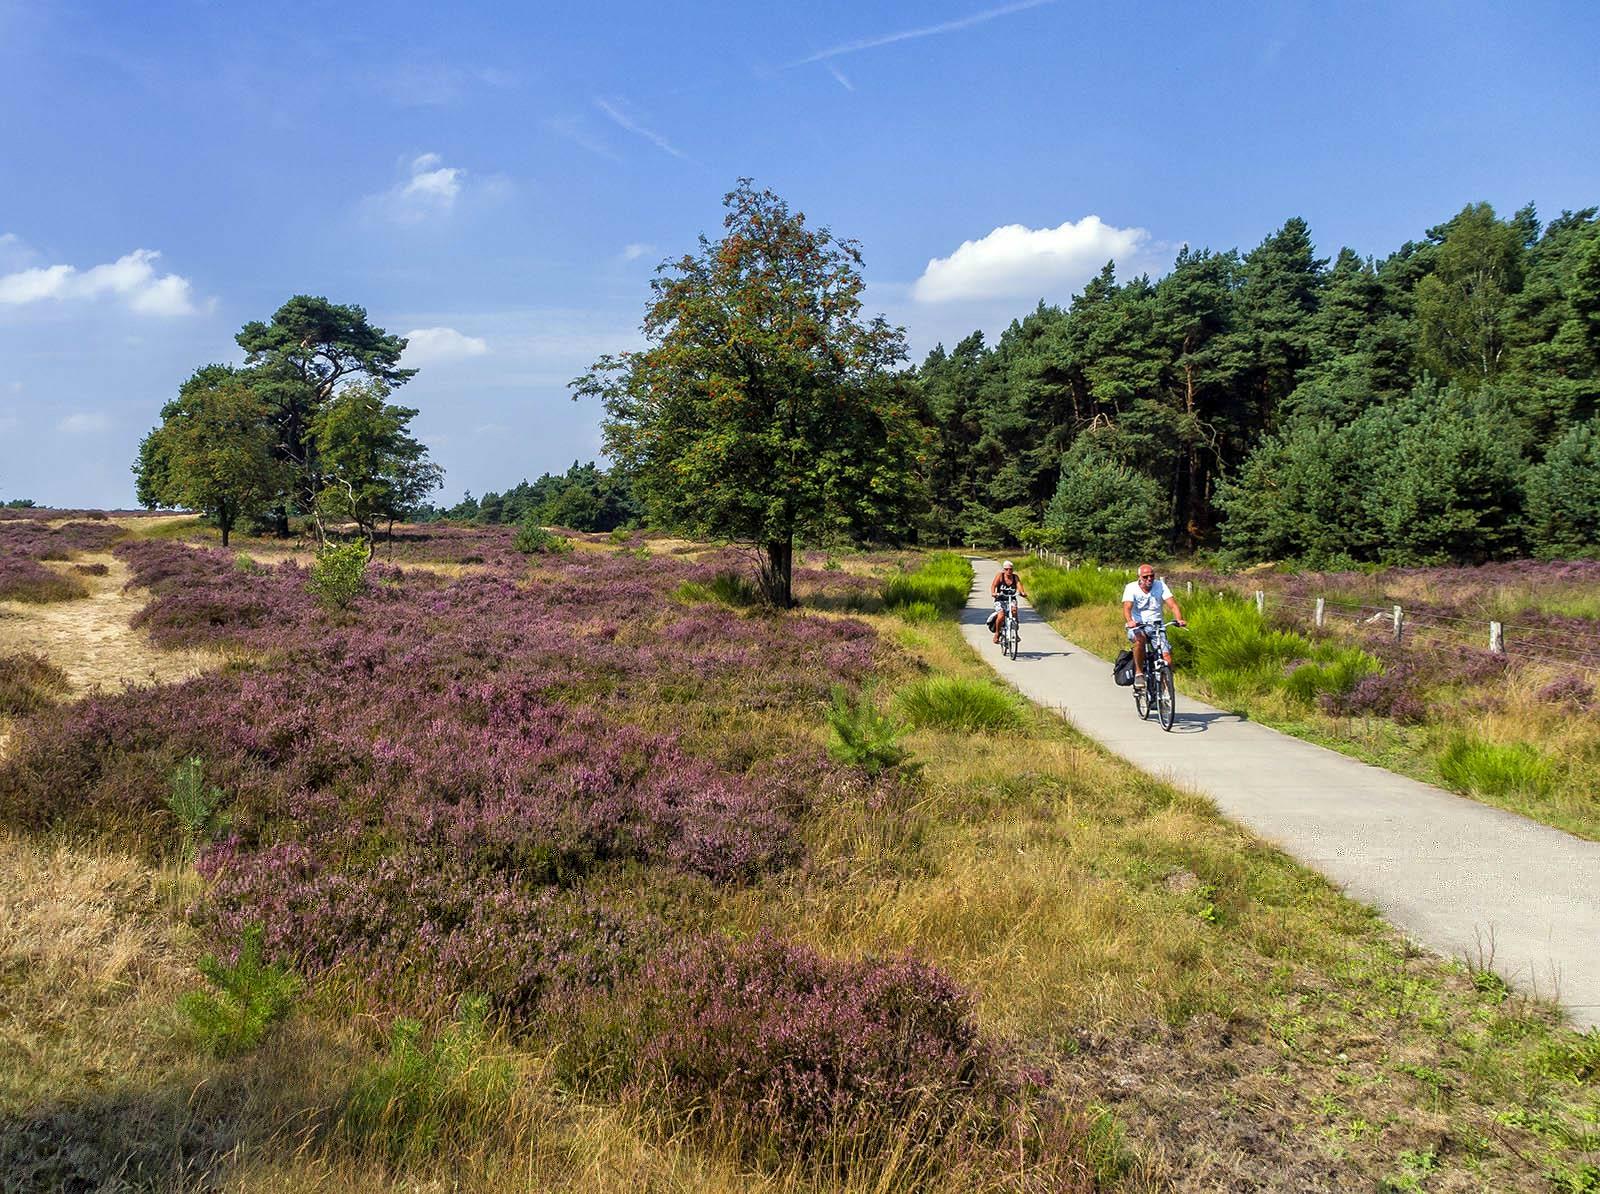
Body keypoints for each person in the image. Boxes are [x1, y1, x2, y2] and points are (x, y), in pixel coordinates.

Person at [1122, 564, 1185, 688]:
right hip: (1138, 625)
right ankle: (1139, 673)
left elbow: (1172, 605)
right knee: (1139, 641)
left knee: (1167, 656)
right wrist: (1130, 621)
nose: (1149, 579)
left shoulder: (1160, 585)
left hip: (1157, 626)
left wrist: (1179, 619)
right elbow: (1127, 607)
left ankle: (1165, 689)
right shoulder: (1131, 588)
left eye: (1151, 576)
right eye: (1145, 577)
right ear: (1139, 577)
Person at [989, 560, 1027, 644]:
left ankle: (1015, 633)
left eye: (1010, 569)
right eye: (1006, 569)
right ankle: (997, 633)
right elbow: (993, 585)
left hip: (1011, 599)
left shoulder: (1015, 577)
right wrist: (994, 593)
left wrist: (1022, 592)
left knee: (1014, 612)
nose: (1009, 571)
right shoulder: (1000, 576)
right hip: (1000, 599)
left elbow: (1019, 586)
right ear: (1004, 569)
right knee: (1001, 615)